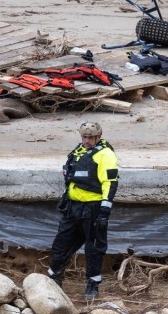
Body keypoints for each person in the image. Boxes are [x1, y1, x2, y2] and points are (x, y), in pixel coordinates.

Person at [47, 122, 119, 300]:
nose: (87, 141)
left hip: (93, 208)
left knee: (94, 248)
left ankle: (92, 285)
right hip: (73, 207)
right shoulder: (78, 151)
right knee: (61, 243)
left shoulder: (105, 155)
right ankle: (54, 278)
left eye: (91, 138)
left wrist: (104, 211)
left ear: (98, 137)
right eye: (84, 137)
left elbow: (110, 183)